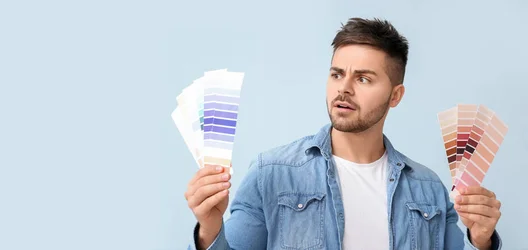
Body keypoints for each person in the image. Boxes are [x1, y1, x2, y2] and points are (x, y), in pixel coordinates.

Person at [184, 17, 503, 250]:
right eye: (337, 74)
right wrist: (209, 230)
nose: (344, 89)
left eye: (363, 79)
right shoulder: (273, 174)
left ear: (395, 96)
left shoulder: (428, 189)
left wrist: (481, 241)